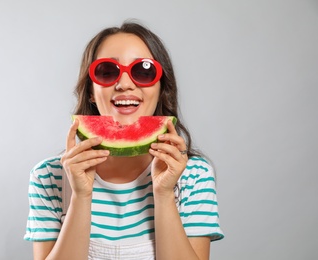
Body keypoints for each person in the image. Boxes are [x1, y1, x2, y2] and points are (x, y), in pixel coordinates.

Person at [24, 21, 224, 260]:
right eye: (107, 72)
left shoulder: (193, 175)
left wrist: (164, 194)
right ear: (90, 90)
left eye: (144, 71)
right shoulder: (49, 176)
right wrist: (80, 196)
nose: (125, 84)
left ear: (161, 87)